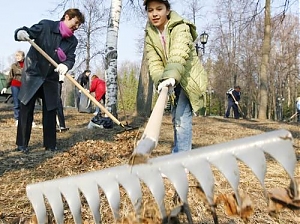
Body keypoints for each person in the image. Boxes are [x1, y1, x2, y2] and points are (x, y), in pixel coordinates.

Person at [14, 8, 85, 153]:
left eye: (79, 25)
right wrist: (20, 33)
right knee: (26, 109)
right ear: (67, 17)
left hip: (51, 78)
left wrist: (66, 65)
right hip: (33, 74)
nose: (76, 27)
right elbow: (28, 31)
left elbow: (71, 58)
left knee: (51, 110)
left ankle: (50, 145)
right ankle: (22, 144)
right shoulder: (46, 26)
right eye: (75, 23)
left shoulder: (72, 41)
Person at [143, 0, 208, 153]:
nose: (155, 14)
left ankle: (181, 160)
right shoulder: (150, 34)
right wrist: (161, 80)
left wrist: (171, 75)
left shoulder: (180, 27)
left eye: (159, 9)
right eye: (150, 10)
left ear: (167, 10)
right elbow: (154, 61)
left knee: (182, 119)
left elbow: (178, 52)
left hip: (188, 78)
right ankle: (179, 153)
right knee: (176, 118)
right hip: (172, 80)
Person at [1, 51, 25, 126]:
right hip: (15, 85)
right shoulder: (14, 66)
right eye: (16, 56)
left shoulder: (27, 64)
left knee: (24, 103)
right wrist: (5, 86)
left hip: (24, 86)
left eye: (19, 56)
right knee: (16, 103)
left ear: (23, 57)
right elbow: (10, 76)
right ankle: (17, 119)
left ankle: (26, 119)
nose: (17, 57)